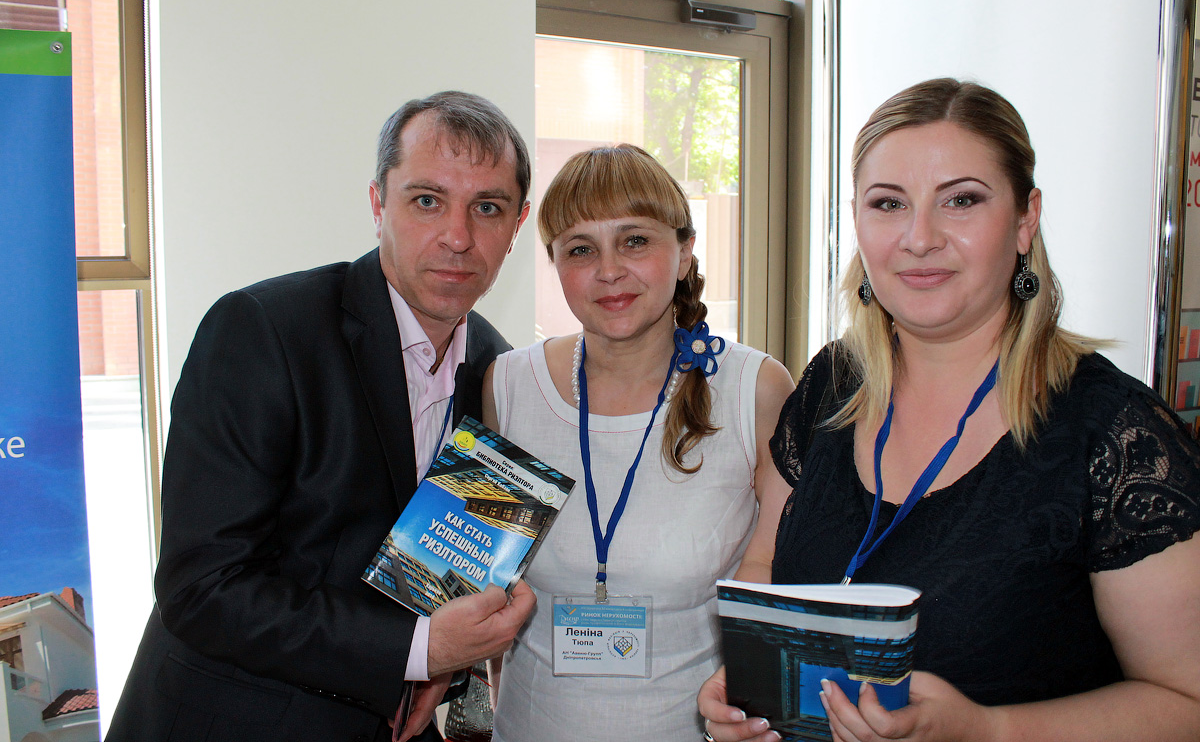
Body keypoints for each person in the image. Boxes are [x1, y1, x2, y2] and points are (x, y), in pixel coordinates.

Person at [699, 78, 1200, 742]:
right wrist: (749, 681)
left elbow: (1185, 702)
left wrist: (987, 732)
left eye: (961, 200)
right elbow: (766, 565)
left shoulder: (1115, 434)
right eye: (888, 204)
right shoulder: (831, 384)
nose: (919, 237)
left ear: (1025, 219)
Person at [105, 91, 537, 742]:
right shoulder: (263, 330)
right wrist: (417, 651)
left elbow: (440, 574)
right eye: (427, 201)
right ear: (378, 204)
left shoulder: (500, 374)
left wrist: (437, 668)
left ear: (517, 224)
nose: (457, 237)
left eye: (487, 208)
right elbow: (203, 587)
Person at [483, 144, 795, 741]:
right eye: (581, 249)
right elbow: (490, 580)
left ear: (684, 253)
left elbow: (771, 577)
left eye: (634, 241)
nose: (609, 271)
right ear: (554, 264)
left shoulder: (753, 389)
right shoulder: (509, 386)